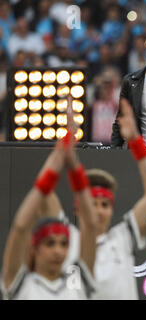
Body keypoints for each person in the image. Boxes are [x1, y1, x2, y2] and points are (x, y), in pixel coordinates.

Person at [41, 98, 146, 300]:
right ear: (78, 207)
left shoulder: (123, 237)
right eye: (93, 204)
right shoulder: (66, 239)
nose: (99, 210)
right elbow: (43, 192)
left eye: (105, 205)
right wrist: (66, 140)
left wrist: (135, 141)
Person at [1, 121, 97, 300]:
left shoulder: (78, 286)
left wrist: (74, 166)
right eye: (50, 243)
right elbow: (20, 227)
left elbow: (91, 225)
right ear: (34, 248)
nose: (58, 251)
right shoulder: (19, 284)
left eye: (64, 244)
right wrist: (60, 154)